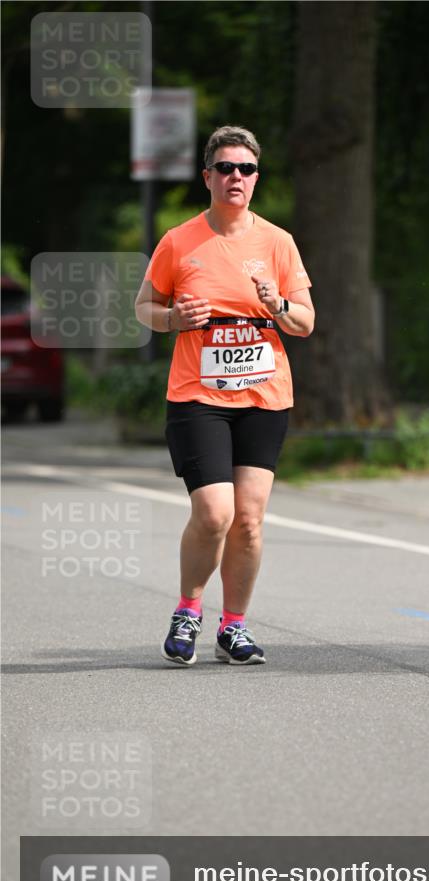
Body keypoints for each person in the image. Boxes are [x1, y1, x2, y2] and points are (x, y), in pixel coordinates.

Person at [134, 125, 315, 667]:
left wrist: (277, 303)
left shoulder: (277, 242)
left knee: (249, 520)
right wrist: (171, 318)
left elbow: (305, 322)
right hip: (198, 396)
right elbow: (144, 307)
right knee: (214, 513)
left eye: (248, 169)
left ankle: (233, 627)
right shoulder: (179, 241)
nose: (237, 177)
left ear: (256, 178)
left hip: (264, 396)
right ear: (208, 176)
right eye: (227, 168)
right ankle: (189, 609)